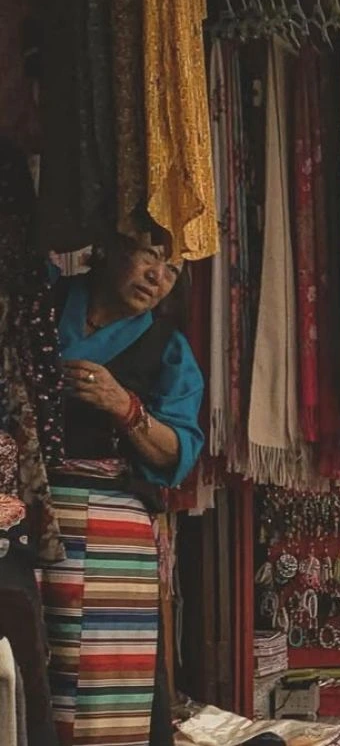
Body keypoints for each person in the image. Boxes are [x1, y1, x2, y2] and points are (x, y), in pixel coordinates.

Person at [41, 238, 205, 746]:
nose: (158, 276)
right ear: (110, 249)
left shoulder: (166, 346)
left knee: (101, 692)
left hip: (112, 536)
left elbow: (178, 451)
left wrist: (124, 406)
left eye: (173, 270)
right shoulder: (36, 303)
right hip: (18, 511)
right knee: (22, 664)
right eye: (151, 255)